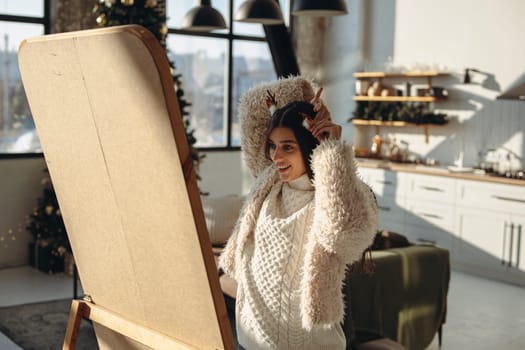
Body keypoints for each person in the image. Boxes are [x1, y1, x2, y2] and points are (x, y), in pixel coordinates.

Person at [219, 76, 378, 350]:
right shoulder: (269, 181)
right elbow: (252, 110)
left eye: (288, 147)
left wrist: (331, 152)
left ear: (310, 145)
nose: (276, 157)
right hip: (250, 337)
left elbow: (344, 236)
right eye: (273, 145)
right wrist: (304, 97)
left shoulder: (339, 192)